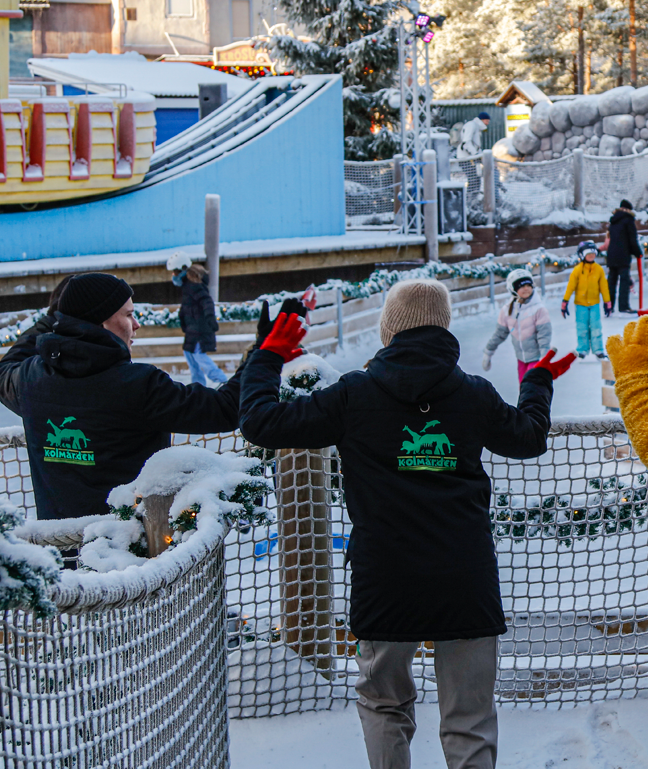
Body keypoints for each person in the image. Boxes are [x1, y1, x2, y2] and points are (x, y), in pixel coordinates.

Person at [241, 281, 574, 769]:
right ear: (443, 327)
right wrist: (538, 381)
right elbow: (528, 438)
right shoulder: (473, 393)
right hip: (465, 577)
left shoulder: (354, 394)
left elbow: (261, 422)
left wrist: (267, 357)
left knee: (384, 703)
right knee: (470, 717)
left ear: (389, 329)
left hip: (385, 577)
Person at [0, 272, 245, 520]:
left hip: (58, 542)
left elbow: (2, 372)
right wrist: (262, 353)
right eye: (129, 315)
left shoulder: (30, 380)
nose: (137, 324)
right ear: (101, 323)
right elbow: (225, 408)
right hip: (132, 542)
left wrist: (56, 318)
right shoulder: (137, 385)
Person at [481, 268, 552, 379]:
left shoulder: (539, 309)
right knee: (523, 386)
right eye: (521, 286)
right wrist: (488, 351)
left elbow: (544, 336)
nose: (526, 288)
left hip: (537, 359)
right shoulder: (507, 310)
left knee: (532, 384)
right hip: (521, 359)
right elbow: (499, 334)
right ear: (513, 289)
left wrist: (544, 358)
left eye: (528, 285)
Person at [170, 257, 227, 387]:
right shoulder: (187, 287)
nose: (173, 276)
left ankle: (223, 381)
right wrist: (183, 321)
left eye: (174, 272)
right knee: (190, 355)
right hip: (192, 330)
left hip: (200, 329)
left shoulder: (193, 286)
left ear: (181, 272)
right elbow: (187, 308)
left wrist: (210, 318)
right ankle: (198, 386)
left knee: (199, 356)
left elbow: (207, 302)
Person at [563, 241, 610, 357]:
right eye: (588, 254)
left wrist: (607, 302)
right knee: (582, 328)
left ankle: (598, 349)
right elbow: (571, 287)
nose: (591, 256)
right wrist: (565, 301)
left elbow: (604, 287)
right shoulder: (577, 270)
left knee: (596, 327)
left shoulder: (599, 269)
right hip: (581, 305)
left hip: (594, 304)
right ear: (582, 255)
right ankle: (582, 349)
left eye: (593, 254)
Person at [605, 200, 642, 314]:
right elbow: (632, 239)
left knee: (611, 281)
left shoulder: (613, 220)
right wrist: (638, 253)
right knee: (624, 281)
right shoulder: (628, 220)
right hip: (623, 254)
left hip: (611, 255)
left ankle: (609, 307)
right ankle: (623, 306)